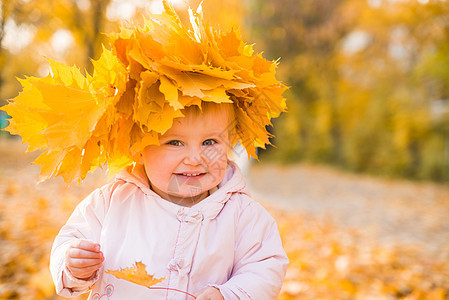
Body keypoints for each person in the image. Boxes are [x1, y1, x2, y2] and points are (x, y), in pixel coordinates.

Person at [2, 1, 288, 299]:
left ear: (230, 143)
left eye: (210, 142)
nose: (195, 158)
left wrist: (229, 293)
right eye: (174, 142)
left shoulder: (242, 215)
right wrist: (71, 264)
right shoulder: (112, 202)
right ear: (138, 147)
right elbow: (72, 237)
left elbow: (266, 266)